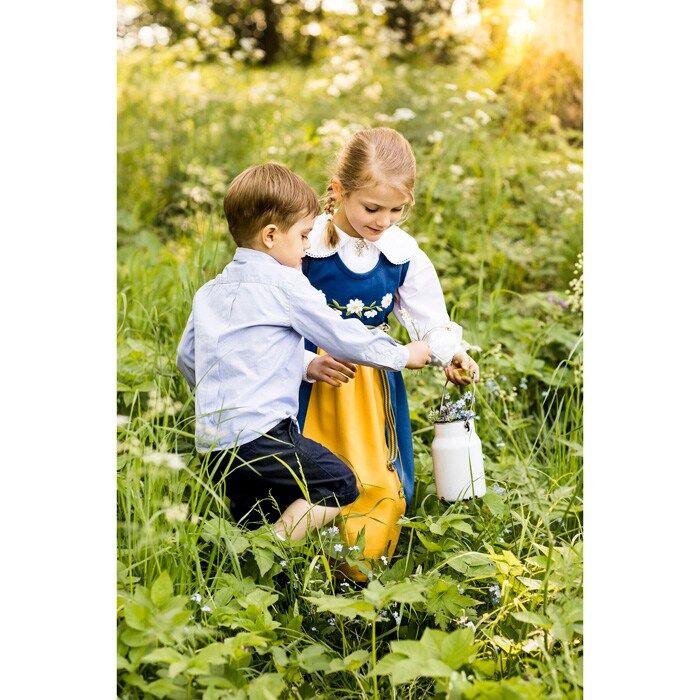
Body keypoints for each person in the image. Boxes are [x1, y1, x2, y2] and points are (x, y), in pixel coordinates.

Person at [176, 162, 432, 542]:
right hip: (264, 434)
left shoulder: (211, 290)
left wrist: (225, 396)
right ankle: (268, 549)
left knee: (257, 512)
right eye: (303, 235)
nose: (308, 246)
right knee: (338, 483)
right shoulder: (286, 284)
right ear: (271, 235)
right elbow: (343, 335)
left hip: (214, 443)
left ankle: (248, 572)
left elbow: (187, 356)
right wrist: (402, 355)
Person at [298, 128, 480, 578]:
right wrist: (302, 362)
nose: (383, 221)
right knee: (309, 469)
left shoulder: (400, 252)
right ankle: (300, 563)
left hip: (371, 381)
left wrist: (448, 352)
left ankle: (358, 571)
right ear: (339, 191)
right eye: (372, 208)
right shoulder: (306, 243)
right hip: (312, 376)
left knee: (377, 477)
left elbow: (426, 316)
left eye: (397, 210)